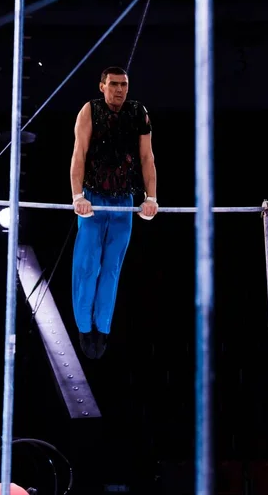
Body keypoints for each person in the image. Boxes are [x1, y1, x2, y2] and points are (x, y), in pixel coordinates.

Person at [70, 66, 158, 359]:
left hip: (123, 202)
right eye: (114, 84)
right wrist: (78, 195)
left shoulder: (138, 112)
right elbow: (79, 154)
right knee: (88, 267)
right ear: (102, 86)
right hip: (93, 201)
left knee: (111, 270)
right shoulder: (89, 111)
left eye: (124, 85)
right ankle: (85, 327)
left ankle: (102, 328)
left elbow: (147, 157)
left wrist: (151, 197)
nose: (120, 89)